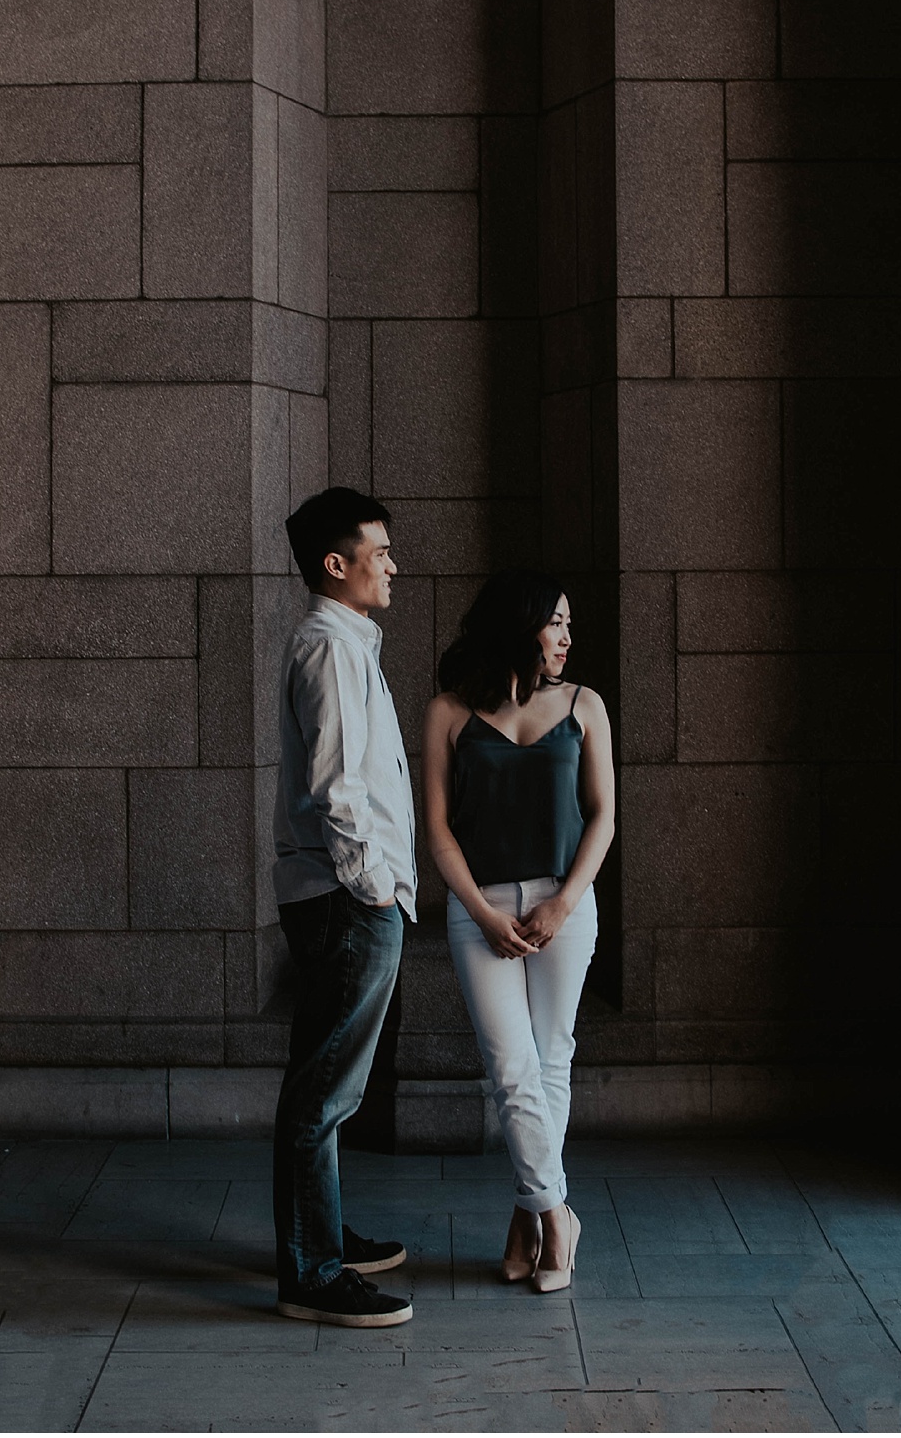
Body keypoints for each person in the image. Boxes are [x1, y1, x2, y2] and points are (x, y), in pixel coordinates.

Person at [420, 570, 615, 1294]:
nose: (567, 636)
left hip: (566, 905)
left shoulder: (585, 705)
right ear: (519, 623)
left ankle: (526, 1214)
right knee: (511, 1067)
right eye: (555, 622)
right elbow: (437, 828)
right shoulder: (446, 711)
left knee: (550, 1059)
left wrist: (564, 903)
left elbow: (603, 817)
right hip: (483, 910)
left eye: (570, 623)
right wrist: (481, 910)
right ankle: (559, 1213)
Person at [268, 487, 416, 1328]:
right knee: (323, 1089)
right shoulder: (329, 647)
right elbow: (338, 788)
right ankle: (312, 1271)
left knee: (320, 1081)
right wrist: (376, 890)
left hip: (342, 897)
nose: (392, 563)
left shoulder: (345, 642)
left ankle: (314, 1238)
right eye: (380, 550)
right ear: (338, 563)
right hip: (345, 899)